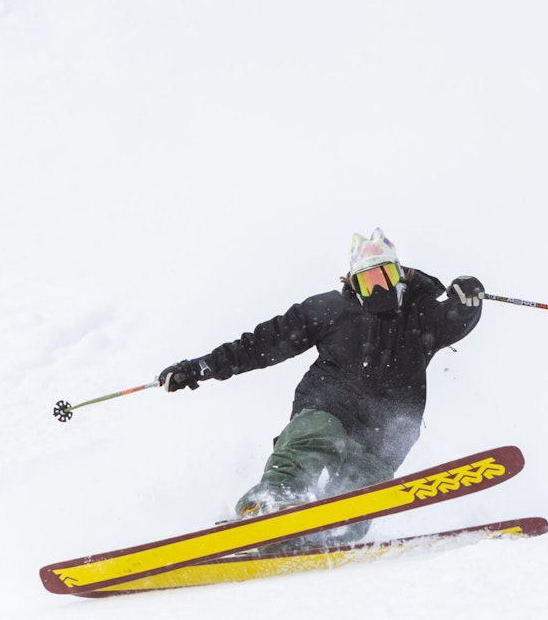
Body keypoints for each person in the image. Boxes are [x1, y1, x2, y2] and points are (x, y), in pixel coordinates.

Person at [157, 228, 484, 544]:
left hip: (388, 426)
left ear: (401, 275)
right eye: (369, 282)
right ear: (354, 284)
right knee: (313, 439)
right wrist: (199, 367)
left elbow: (454, 320)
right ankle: (275, 499)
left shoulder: (422, 312)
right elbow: (263, 343)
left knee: (358, 493)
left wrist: (467, 298)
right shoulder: (331, 310)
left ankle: (333, 532)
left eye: (386, 277)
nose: (380, 289)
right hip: (332, 404)